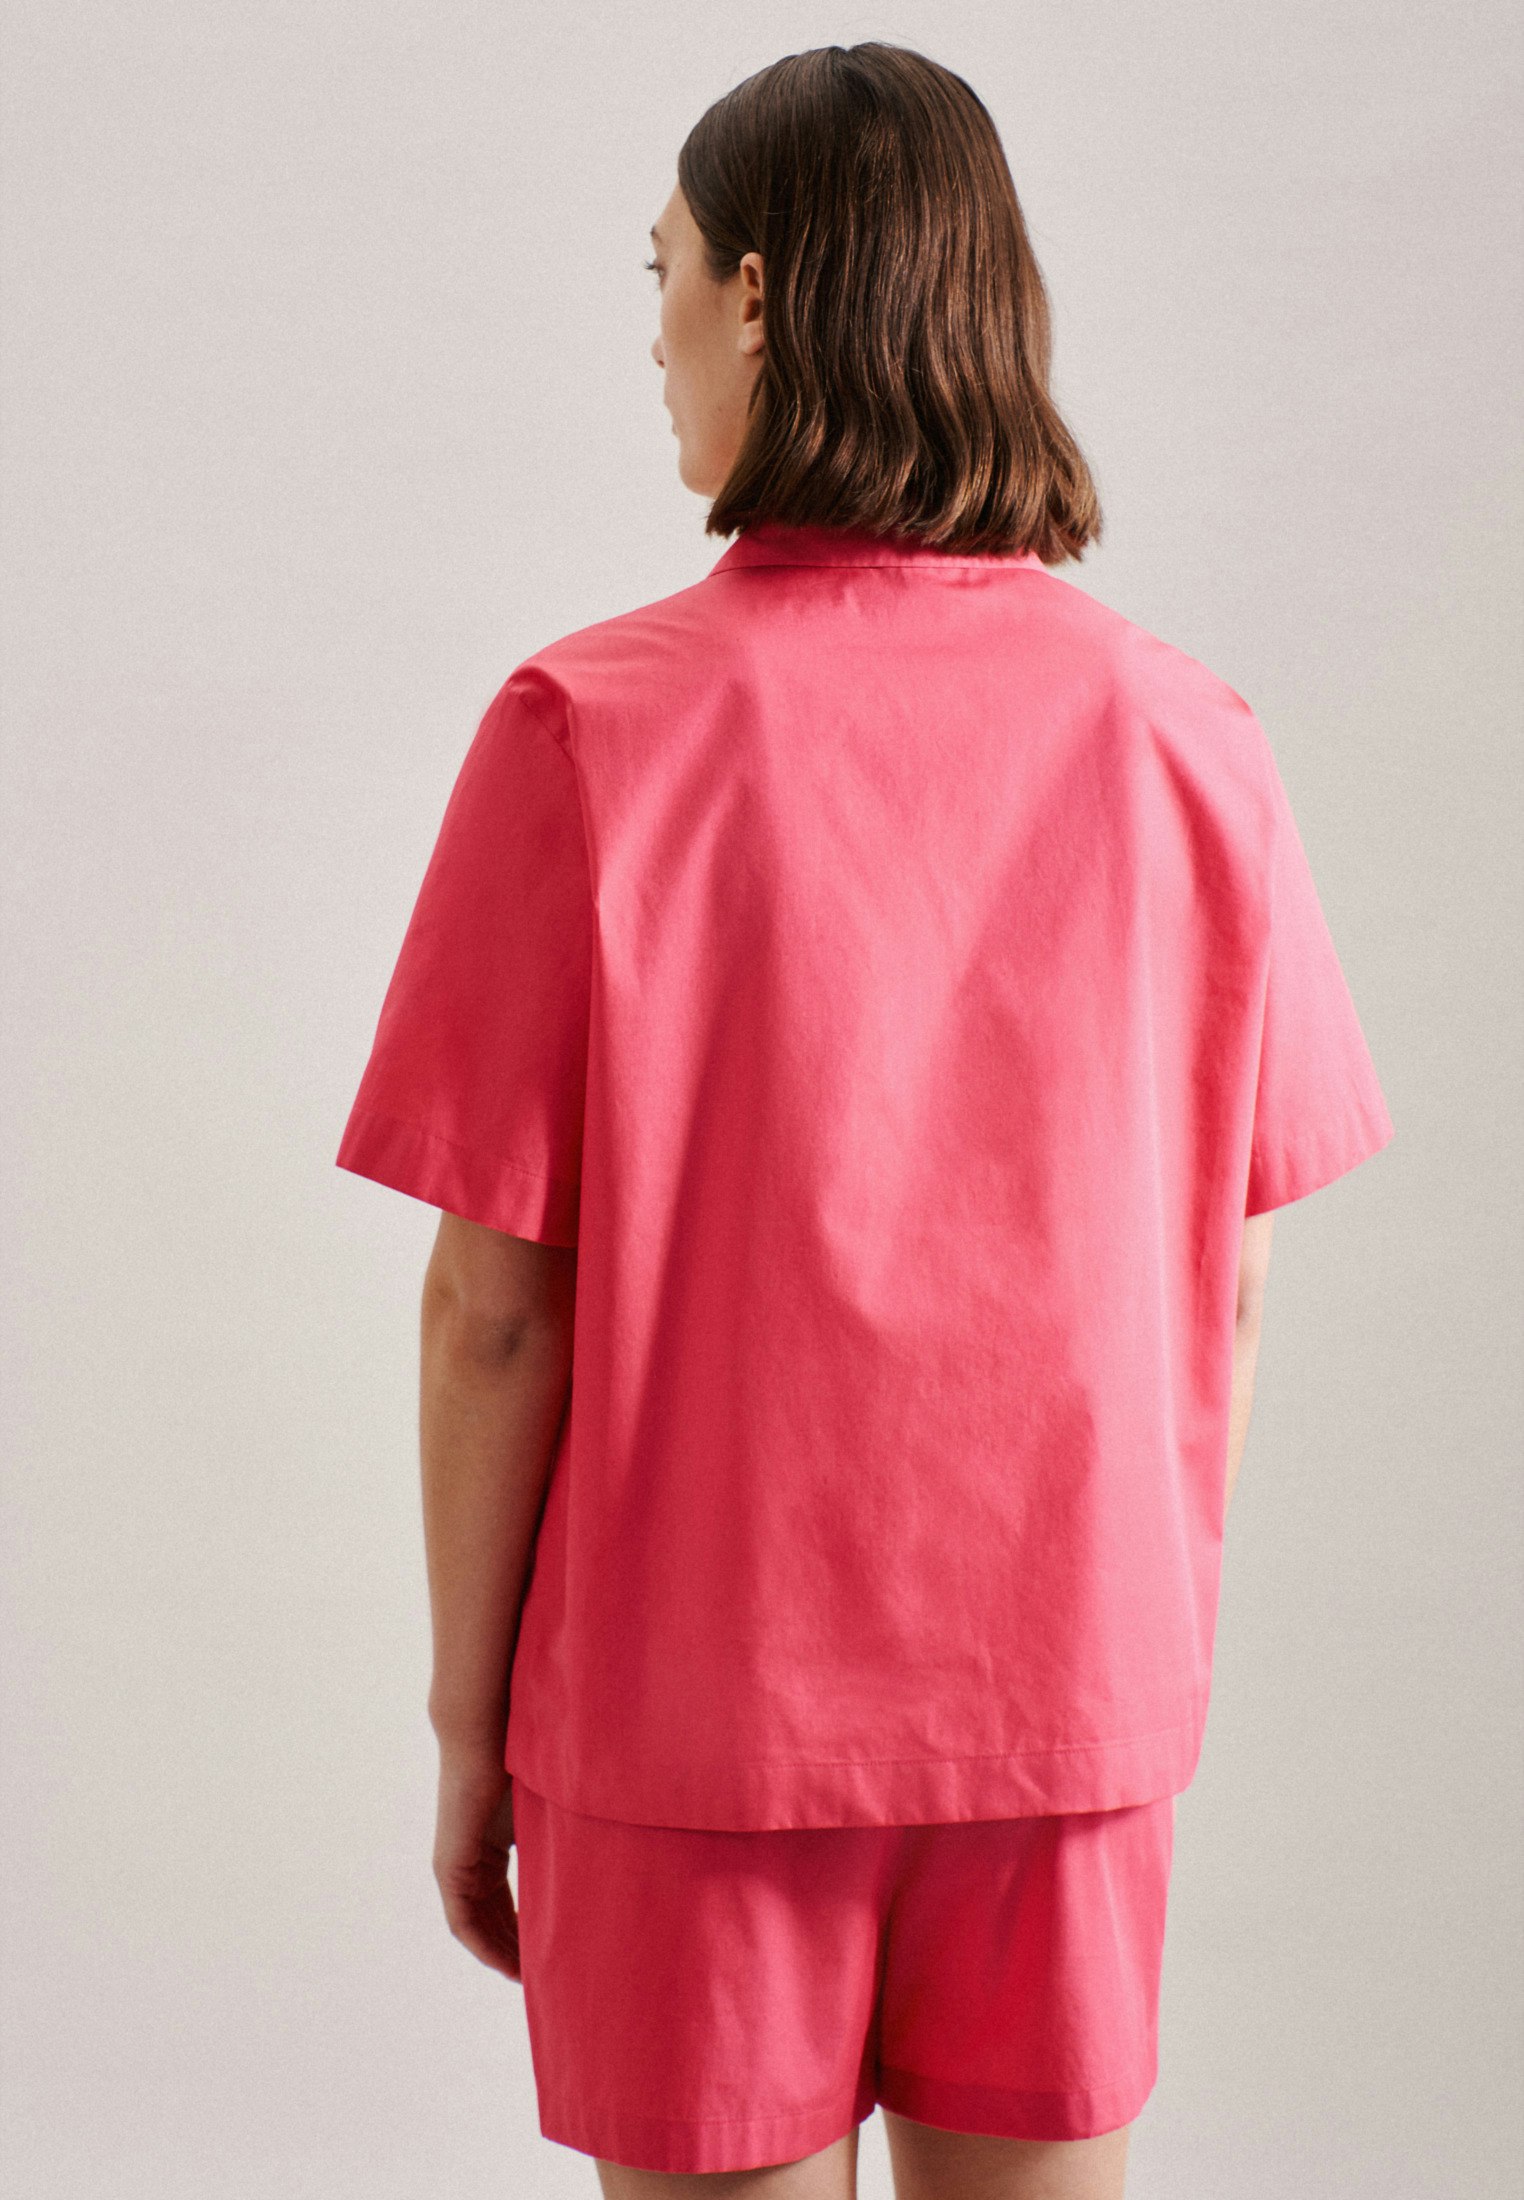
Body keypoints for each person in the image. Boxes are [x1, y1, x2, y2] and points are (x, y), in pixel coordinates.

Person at [334, 41, 1394, 2200]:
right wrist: (1118, 1646)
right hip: (1062, 1700)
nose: (649, 333)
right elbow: (1232, 1281)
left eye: (660, 272)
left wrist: (467, 1724)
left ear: (756, 293)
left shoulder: (586, 732)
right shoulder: (1189, 737)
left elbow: (493, 1314)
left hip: (687, 1713)